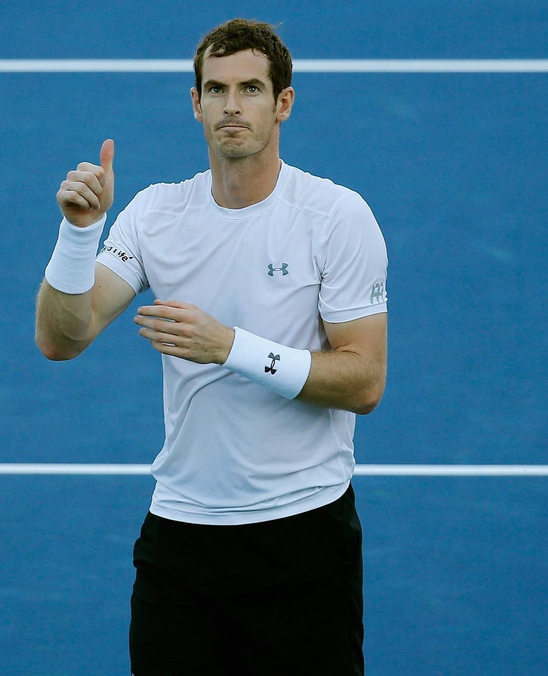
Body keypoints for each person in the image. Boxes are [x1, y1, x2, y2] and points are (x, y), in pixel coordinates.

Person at [35, 18, 388, 675]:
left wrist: (231, 347)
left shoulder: (336, 218)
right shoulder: (153, 214)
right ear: (195, 103)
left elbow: (364, 380)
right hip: (181, 540)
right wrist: (80, 236)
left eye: (251, 88)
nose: (232, 106)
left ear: (283, 102)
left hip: (303, 536)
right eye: (217, 89)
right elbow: (62, 338)